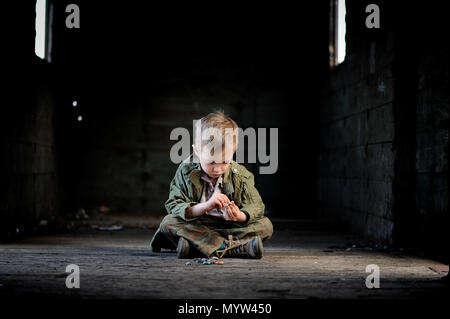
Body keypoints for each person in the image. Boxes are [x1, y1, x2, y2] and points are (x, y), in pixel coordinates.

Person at [150, 111, 273, 259]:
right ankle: (233, 247)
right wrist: (206, 206)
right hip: (198, 224)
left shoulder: (240, 174)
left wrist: (239, 216)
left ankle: (200, 247)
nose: (218, 169)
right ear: (197, 151)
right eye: (211, 162)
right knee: (168, 223)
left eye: (225, 162)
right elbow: (174, 205)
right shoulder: (185, 170)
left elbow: (257, 206)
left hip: (228, 227)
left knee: (265, 225)